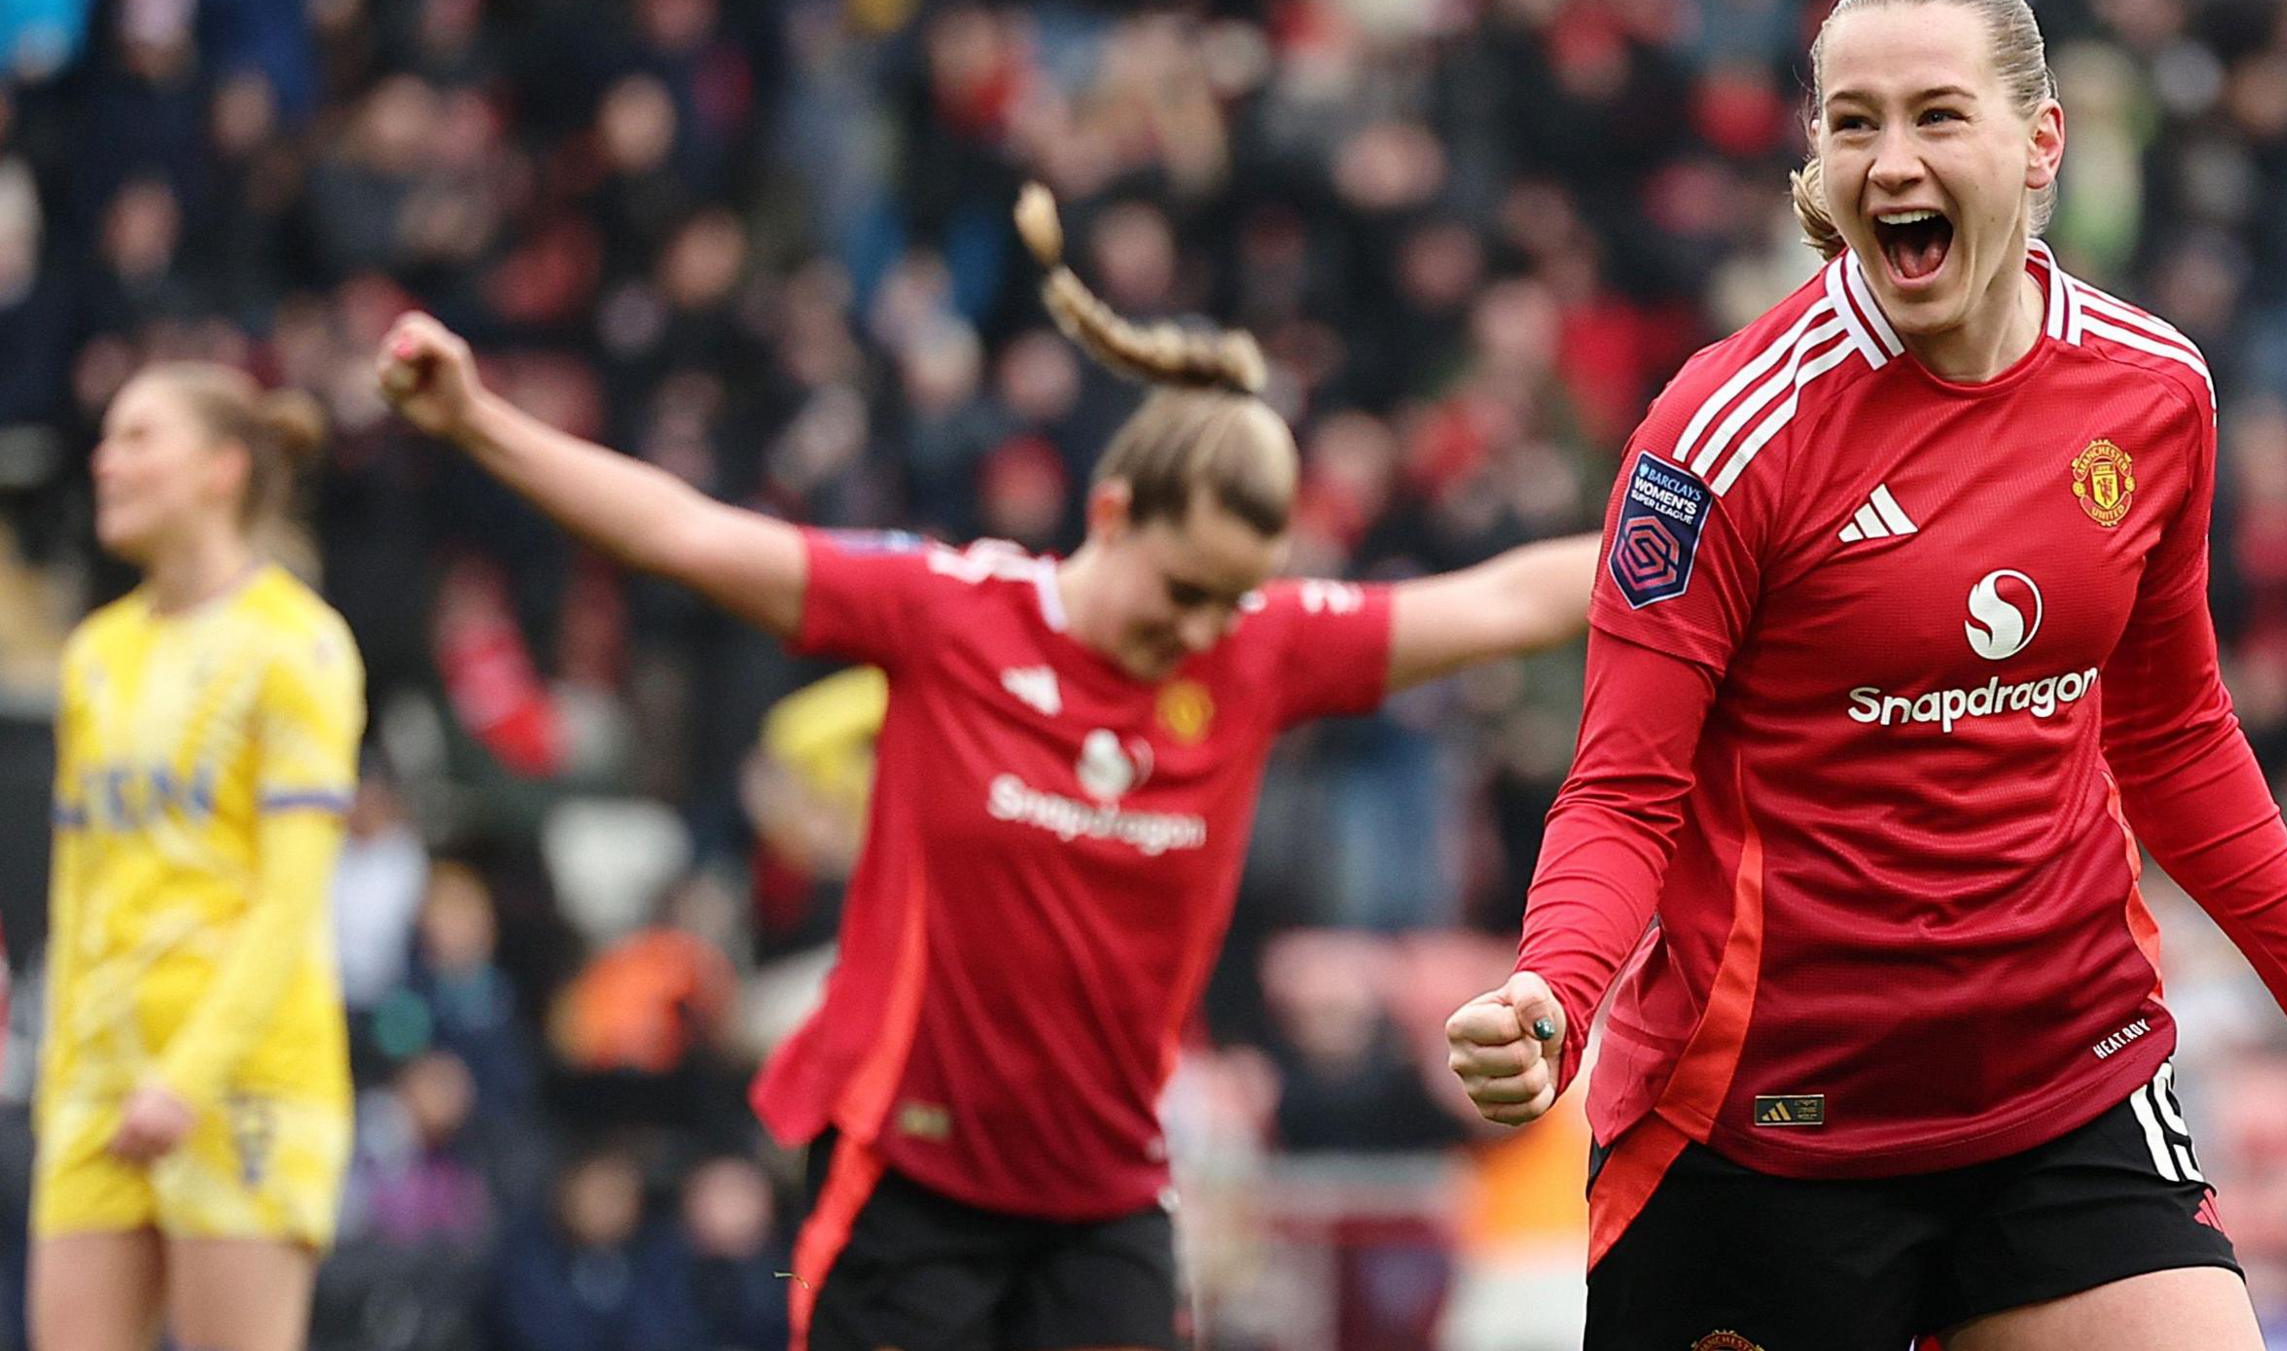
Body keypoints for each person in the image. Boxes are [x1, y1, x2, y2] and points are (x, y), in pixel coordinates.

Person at [1443, 0, 2287, 1351]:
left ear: (2040, 140)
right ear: (1815, 160)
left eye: (1937, 116)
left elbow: (2176, 736)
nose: (1892, 163)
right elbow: (1624, 790)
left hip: (2066, 1083)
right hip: (1770, 1124)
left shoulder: (2154, 391)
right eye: (1852, 124)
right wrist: (1555, 990)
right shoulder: (1720, 432)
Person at [372, 185, 1600, 1351]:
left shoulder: (1260, 650)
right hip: (913, 1184)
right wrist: (481, 419)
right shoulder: (948, 611)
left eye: (1232, 596)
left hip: (1106, 1199)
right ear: (1112, 512)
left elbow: (1504, 595)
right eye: (1183, 589)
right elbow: (689, 534)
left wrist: (1728, 520)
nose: (1203, 626)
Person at [35, 364, 363, 1351]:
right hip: (98, 1076)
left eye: (139, 438)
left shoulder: (295, 645)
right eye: (106, 436)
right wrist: (62, 1075)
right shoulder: (95, 654)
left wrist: (191, 1075)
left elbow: (291, 898)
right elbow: (79, 882)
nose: (107, 459)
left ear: (223, 468)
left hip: (242, 1081)